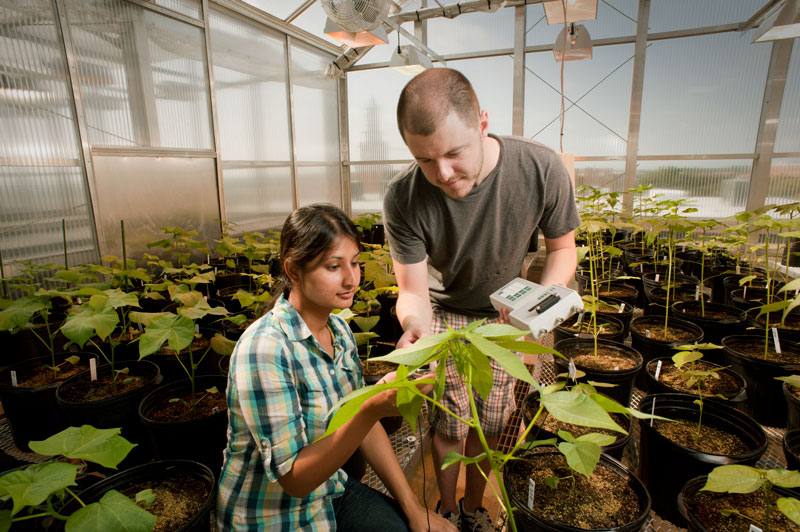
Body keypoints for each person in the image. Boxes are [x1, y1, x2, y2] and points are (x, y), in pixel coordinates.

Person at [383, 68, 580, 532]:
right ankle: (447, 508)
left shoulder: (540, 168)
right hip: (442, 312)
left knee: (492, 423)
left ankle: (475, 508)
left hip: (504, 312)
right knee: (450, 426)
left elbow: (562, 249)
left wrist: (540, 304)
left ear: (483, 123)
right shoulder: (403, 196)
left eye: (454, 152)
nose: (443, 174)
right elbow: (412, 289)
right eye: (425, 160)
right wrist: (415, 326)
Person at [217, 203, 457, 532]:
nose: (351, 279)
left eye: (355, 263)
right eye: (333, 266)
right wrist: (372, 407)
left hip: (329, 491)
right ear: (293, 270)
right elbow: (296, 481)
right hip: (272, 515)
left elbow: (363, 424)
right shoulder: (265, 349)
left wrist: (414, 509)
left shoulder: (340, 331)